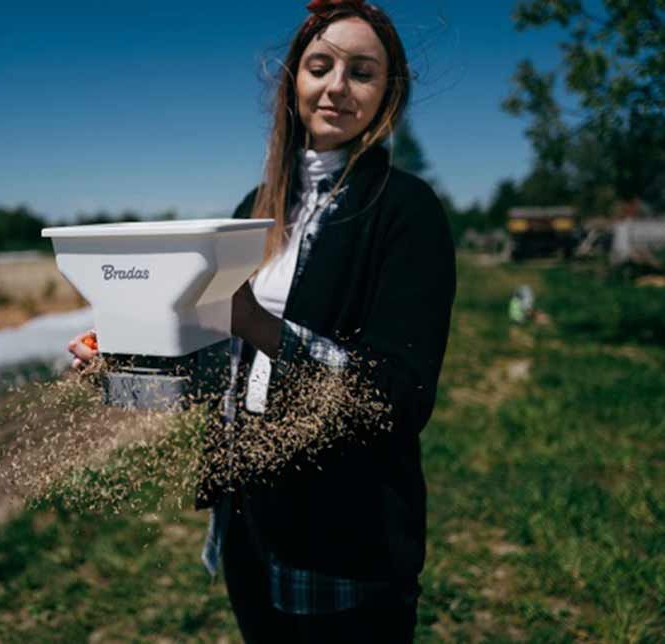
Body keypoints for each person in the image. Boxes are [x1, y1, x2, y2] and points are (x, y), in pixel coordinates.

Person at [68, 1, 456, 641]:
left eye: (362, 72)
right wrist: (121, 372)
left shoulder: (405, 212)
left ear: (388, 93)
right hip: (247, 522)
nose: (336, 86)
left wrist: (262, 326)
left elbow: (400, 395)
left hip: (343, 538)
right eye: (320, 65)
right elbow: (223, 370)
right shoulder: (257, 209)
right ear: (293, 83)